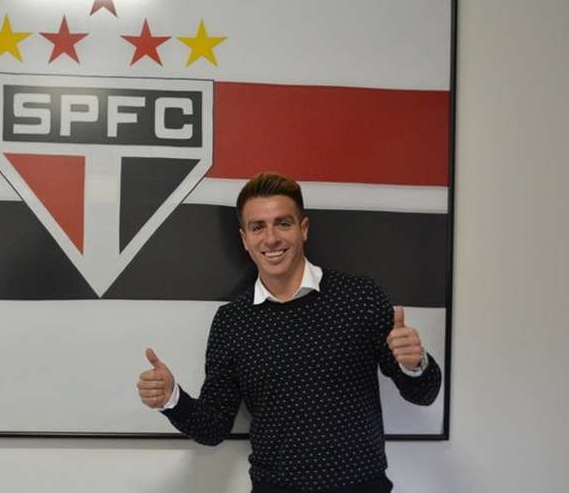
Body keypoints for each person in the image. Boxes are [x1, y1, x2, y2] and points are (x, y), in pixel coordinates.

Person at [137, 172, 442, 493]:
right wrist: (172, 399)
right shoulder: (232, 322)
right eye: (258, 227)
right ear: (244, 239)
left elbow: (424, 394)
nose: (271, 239)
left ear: (303, 228)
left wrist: (415, 363)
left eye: (283, 223)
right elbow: (213, 428)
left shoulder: (359, 296)